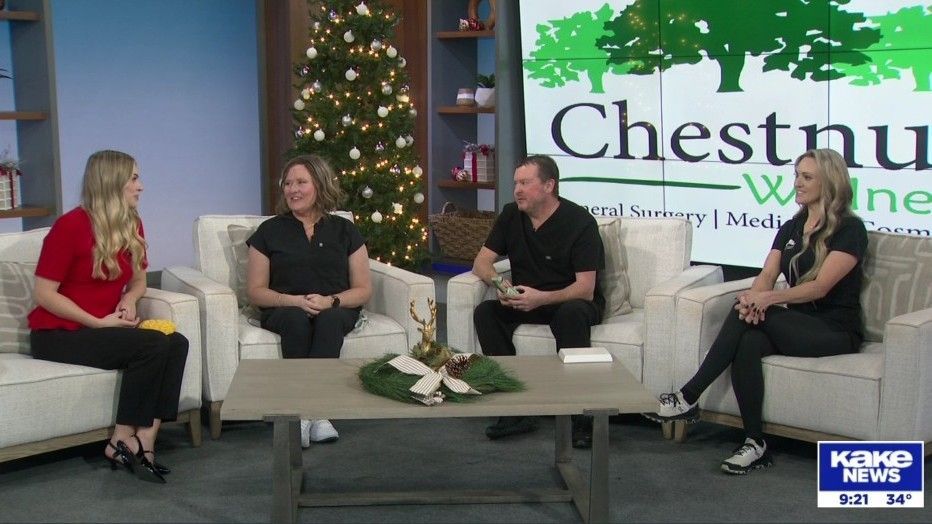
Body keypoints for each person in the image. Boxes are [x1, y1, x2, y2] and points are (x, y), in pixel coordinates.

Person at [645, 148, 868, 475]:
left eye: (806, 177)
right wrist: (753, 297)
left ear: (830, 182)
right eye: (796, 175)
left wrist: (766, 301)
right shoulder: (793, 226)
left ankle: (688, 395)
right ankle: (754, 442)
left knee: (743, 314)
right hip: (798, 323)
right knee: (748, 339)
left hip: (834, 330)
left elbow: (820, 287)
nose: (797, 184)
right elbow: (767, 275)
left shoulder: (850, 229)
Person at [28, 150, 189, 484]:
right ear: (112, 182)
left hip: (102, 326)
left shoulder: (132, 224)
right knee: (152, 345)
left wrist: (130, 299)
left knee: (177, 342)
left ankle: (146, 438)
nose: (141, 186)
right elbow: (44, 294)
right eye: (134, 178)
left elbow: (140, 281)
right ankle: (120, 437)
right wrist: (98, 322)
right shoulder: (69, 226)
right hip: (58, 334)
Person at [472, 155, 605, 448]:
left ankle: (581, 416)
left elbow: (585, 288)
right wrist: (502, 287)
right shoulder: (511, 215)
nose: (517, 190)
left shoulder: (580, 222)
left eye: (525, 183)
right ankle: (515, 408)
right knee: (486, 313)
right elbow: (482, 264)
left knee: (571, 315)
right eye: (516, 183)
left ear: (548, 186)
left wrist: (541, 299)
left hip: (569, 300)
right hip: (527, 299)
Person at [245, 154, 372, 448]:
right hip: (284, 308)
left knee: (329, 321)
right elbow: (256, 290)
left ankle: (317, 412)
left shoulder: (344, 230)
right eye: (288, 183)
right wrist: (293, 301)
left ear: (319, 185)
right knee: (296, 320)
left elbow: (363, 289)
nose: (293, 189)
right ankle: (303, 415)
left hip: (335, 307)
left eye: (301, 182)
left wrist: (331, 301)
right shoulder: (269, 232)